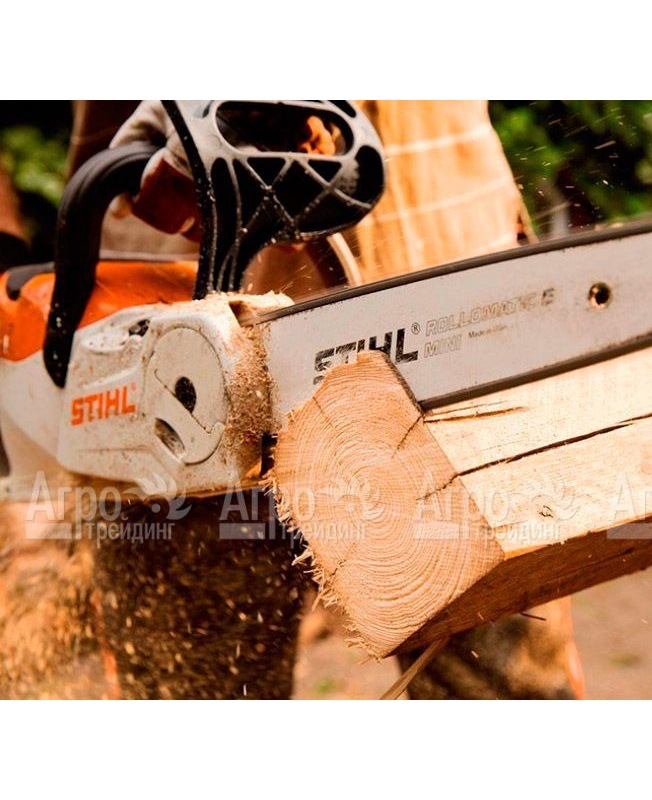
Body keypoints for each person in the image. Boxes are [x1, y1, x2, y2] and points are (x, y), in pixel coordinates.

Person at [1, 101, 584, 699]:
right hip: (161, 320)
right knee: (200, 694)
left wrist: (242, 111)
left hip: (445, 279)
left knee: (500, 692)